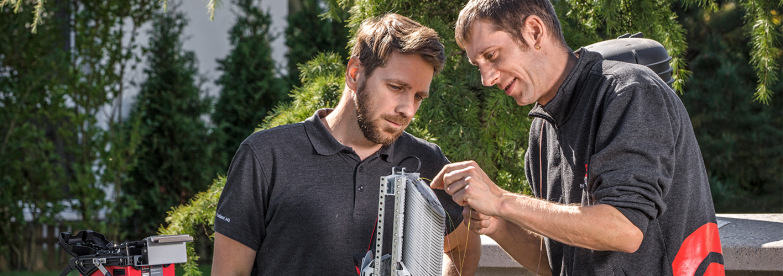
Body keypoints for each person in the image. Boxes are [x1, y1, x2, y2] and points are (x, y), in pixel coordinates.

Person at [431, 0, 724, 275]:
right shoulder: (542, 130)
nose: (487, 79)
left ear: (534, 31)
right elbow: (554, 263)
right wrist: (498, 226)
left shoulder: (629, 92)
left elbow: (624, 229)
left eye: (491, 56)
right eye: (478, 65)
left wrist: (500, 200)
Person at [211, 13, 481, 276]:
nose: (408, 110)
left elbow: (464, 243)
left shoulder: (426, 161)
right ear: (354, 73)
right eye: (396, 87)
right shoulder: (266, 156)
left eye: (419, 96)